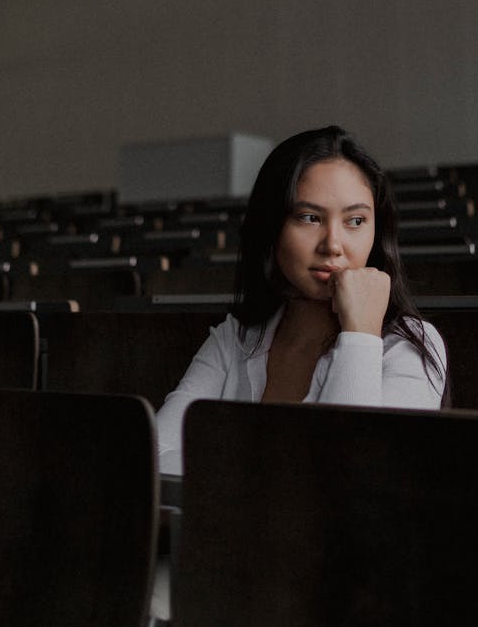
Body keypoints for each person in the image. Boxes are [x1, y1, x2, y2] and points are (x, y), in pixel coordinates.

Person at [156, 124, 447, 475]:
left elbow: (353, 480)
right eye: (309, 218)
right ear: (272, 227)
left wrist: (361, 335)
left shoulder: (410, 345)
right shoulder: (235, 340)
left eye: (356, 220)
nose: (333, 245)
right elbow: (154, 454)